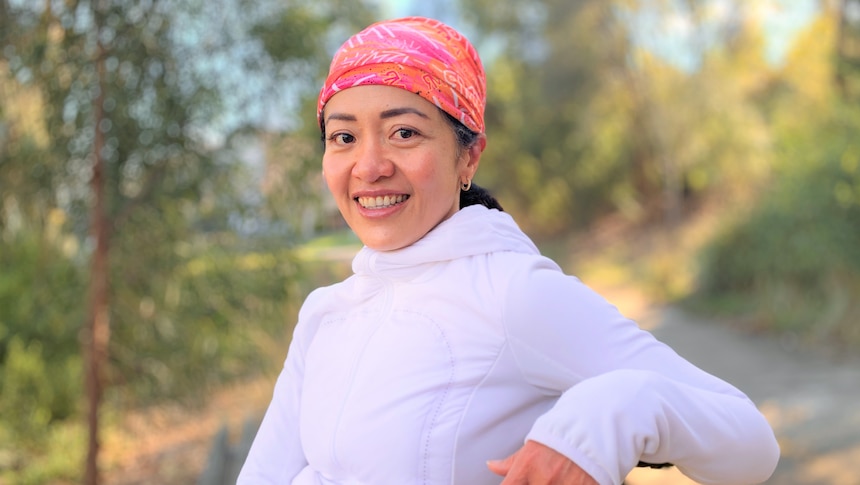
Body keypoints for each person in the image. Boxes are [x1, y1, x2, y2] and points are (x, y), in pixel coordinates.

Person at [238, 16, 780, 485]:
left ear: (468, 158)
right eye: (344, 137)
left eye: (404, 133)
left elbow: (750, 442)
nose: (370, 165)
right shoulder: (323, 315)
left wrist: (607, 414)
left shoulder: (513, 293)